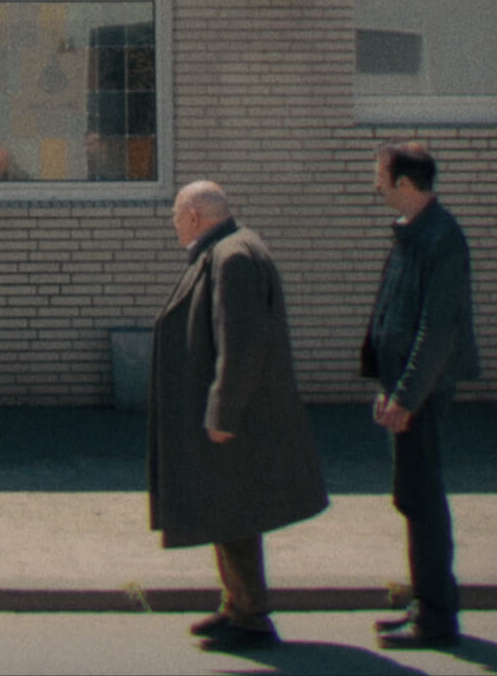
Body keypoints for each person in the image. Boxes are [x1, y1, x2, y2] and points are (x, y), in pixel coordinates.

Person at [148, 181, 328, 652]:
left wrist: (223, 411)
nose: (172, 221)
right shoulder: (230, 248)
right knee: (229, 511)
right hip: (238, 410)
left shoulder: (232, 257)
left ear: (193, 216)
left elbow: (241, 344)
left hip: (238, 415)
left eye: (175, 212)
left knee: (234, 511)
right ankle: (237, 605)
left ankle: (250, 617)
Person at [363, 142, 479, 649]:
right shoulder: (412, 235)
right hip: (405, 388)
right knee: (412, 497)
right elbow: (390, 312)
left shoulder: (441, 239)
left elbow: (436, 332)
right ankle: (424, 602)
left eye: (380, 177)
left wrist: (406, 396)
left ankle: (436, 616)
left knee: (424, 499)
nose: (376, 185)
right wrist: (385, 385)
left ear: (405, 184)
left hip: (423, 393)